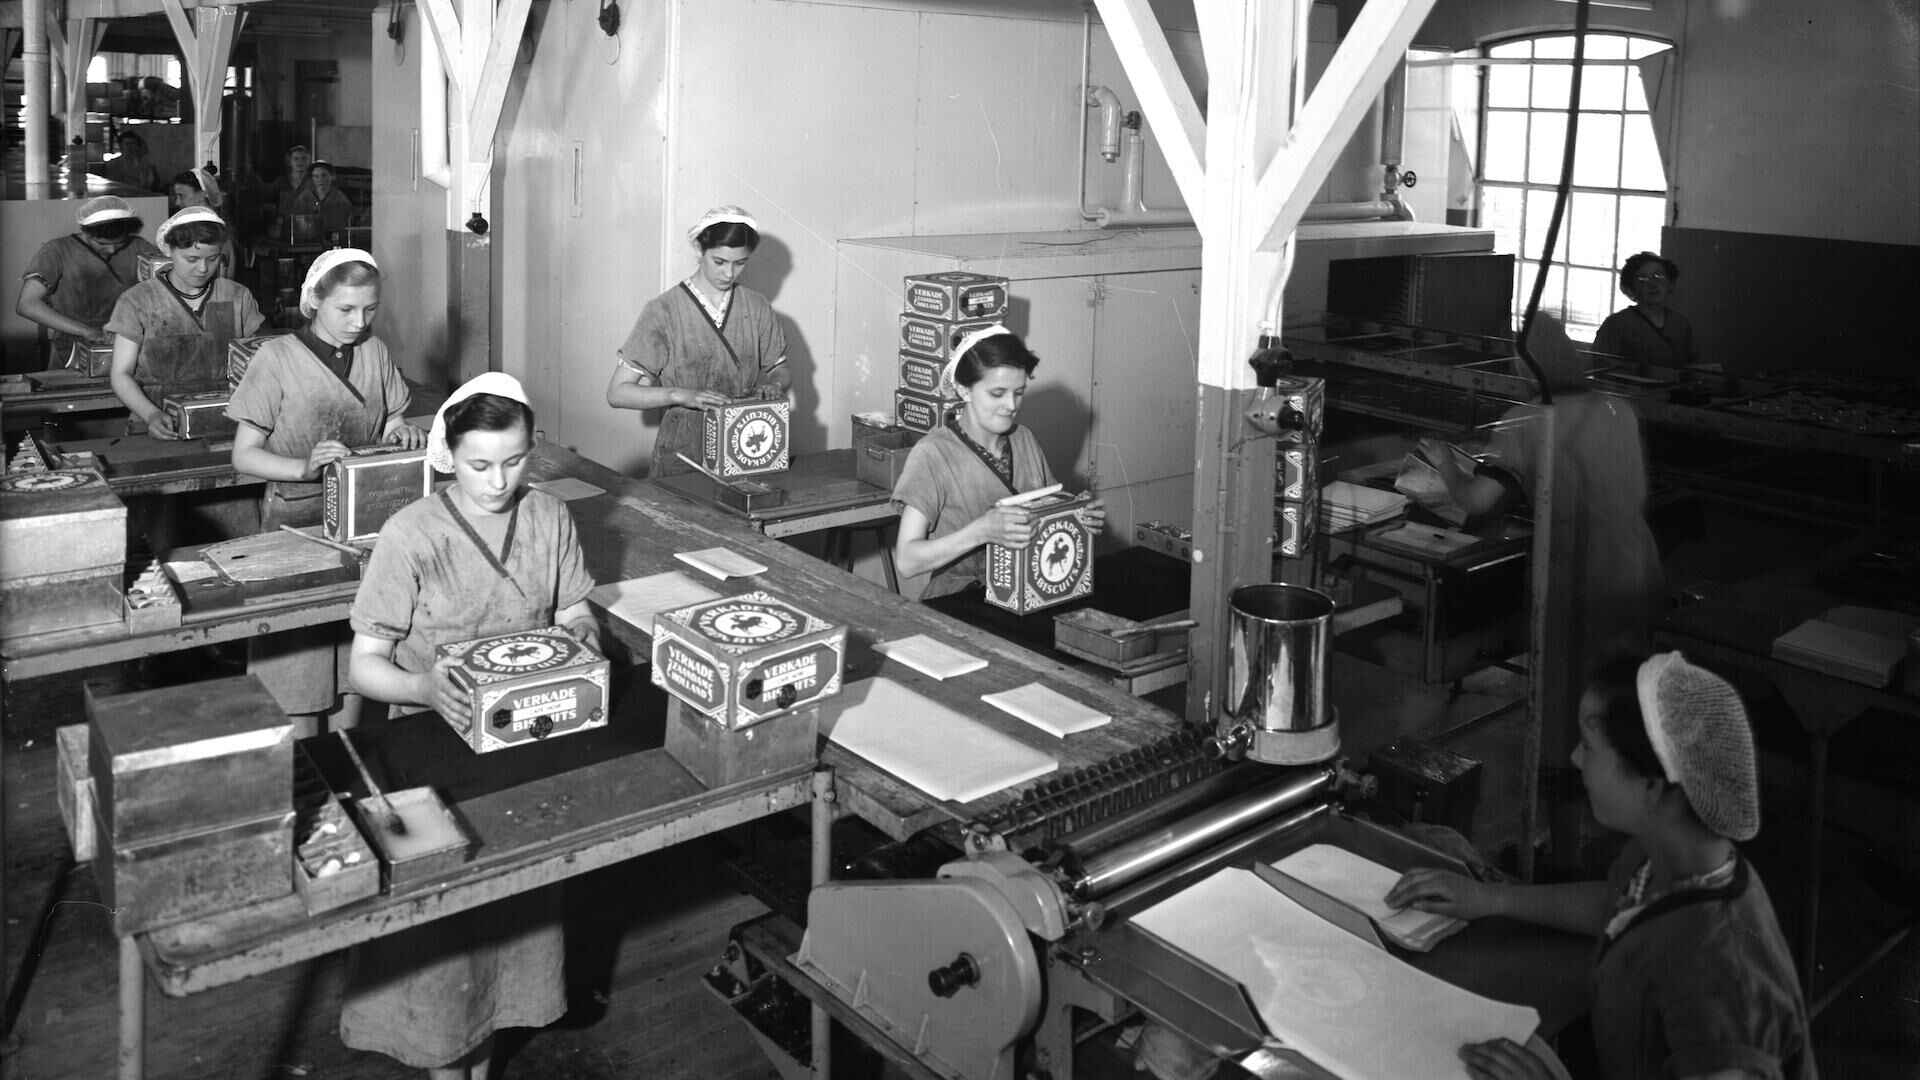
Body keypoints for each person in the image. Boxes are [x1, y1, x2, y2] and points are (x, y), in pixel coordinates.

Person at [1386, 653, 1815, 1080]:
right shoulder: (1664, 854)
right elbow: (1614, 901)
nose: (1575, 758)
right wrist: (1490, 897)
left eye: (1590, 748)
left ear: (1652, 786)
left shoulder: (1719, 987)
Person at [344, 373, 591, 1079]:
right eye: (479, 465)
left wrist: (583, 638)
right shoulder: (411, 533)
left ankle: (486, 1055)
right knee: (442, 931)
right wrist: (423, 688)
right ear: (447, 455)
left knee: (517, 911)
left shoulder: (549, 516)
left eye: (514, 461)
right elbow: (365, 666)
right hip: (431, 750)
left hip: (526, 741)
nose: (498, 482)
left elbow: (574, 609)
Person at [1417, 314, 1663, 764]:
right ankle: (1624, 771)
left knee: (1569, 684)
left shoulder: (1526, 419)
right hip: (1636, 555)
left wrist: (1444, 462)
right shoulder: (1618, 408)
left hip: (1581, 566)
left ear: (1526, 367)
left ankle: (1564, 779)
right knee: (1625, 677)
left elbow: (1477, 501)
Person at [226, 249, 425, 733]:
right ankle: (303, 768)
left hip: (366, 520)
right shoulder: (276, 358)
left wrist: (401, 431)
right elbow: (244, 455)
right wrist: (303, 467)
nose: (360, 322)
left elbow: (391, 417)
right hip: (299, 521)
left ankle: (345, 765)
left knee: (356, 656)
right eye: (346, 309)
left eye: (370, 309)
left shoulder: (375, 352)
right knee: (297, 664)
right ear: (314, 300)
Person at [890, 326, 1104, 601]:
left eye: (1019, 392)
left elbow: (1047, 511)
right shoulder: (933, 453)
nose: (1011, 405)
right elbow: (907, 561)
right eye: (997, 393)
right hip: (961, 599)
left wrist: (1076, 514)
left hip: (1028, 591)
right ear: (964, 390)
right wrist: (982, 531)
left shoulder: (1024, 439)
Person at [606, 205, 791, 477]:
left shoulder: (757, 306)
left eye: (740, 263)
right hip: (684, 450)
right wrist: (682, 395)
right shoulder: (664, 310)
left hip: (743, 447)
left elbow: (780, 368)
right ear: (700, 250)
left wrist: (775, 385)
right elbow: (617, 392)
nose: (729, 274)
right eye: (719, 262)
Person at [106, 206, 263, 437]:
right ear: (170, 251)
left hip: (224, 415)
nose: (203, 268)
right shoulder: (137, 300)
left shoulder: (237, 295)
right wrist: (151, 414)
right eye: (191, 259)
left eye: (212, 259)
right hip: (157, 417)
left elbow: (258, 363)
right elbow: (121, 373)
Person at [16, 195, 163, 368]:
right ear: (86, 232)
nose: (112, 249)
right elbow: (27, 304)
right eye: (102, 243)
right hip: (73, 347)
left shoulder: (138, 247)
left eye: (120, 243)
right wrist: (85, 331)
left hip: (129, 342)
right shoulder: (57, 251)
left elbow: (164, 289)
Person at [1591, 252, 1702, 369]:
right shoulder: (1616, 323)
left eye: (1659, 276)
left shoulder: (1680, 322)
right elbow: (1601, 364)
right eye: (1642, 278)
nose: (1652, 284)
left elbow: (1693, 363)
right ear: (1630, 287)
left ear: (1670, 283)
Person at [283, 159, 355, 234]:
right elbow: (295, 220)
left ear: (332, 177)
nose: (320, 179)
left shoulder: (340, 197)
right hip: (307, 236)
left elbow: (347, 221)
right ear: (311, 179)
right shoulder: (304, 197)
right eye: (316, 176)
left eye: (324, 175)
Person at [265, 144, 316, 218]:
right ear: (289, 162)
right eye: (296, 159)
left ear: (309, 161)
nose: (300, 162)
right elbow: (267, 201)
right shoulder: (281, 182)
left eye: (304, 158)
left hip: (308, 222)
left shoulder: (314, 183)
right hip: (284, 223)